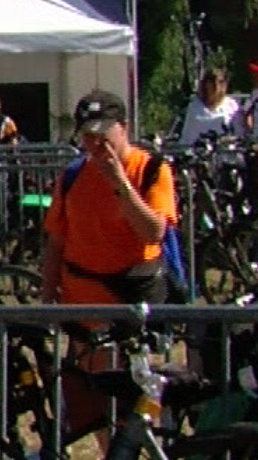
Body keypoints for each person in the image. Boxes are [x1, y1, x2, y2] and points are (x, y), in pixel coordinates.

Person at [42, 90, 179, 308]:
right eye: (88, 136)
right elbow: (56, 240)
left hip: (134, 293)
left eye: (103, 135)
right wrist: (47, 297)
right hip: (82, 297)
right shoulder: (72, 175)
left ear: (124, 128)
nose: (96, 144)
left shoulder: (151, 169)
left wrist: (120, 183)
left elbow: (153, 233)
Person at [178, 68, 240, 147]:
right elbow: (187, 137)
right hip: (199, 153)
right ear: (205, 84)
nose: (215, 85)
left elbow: (240, 135)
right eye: (211, 81)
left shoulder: (232, 106)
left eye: (220, 82)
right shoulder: (194, 107)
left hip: (226, 154)